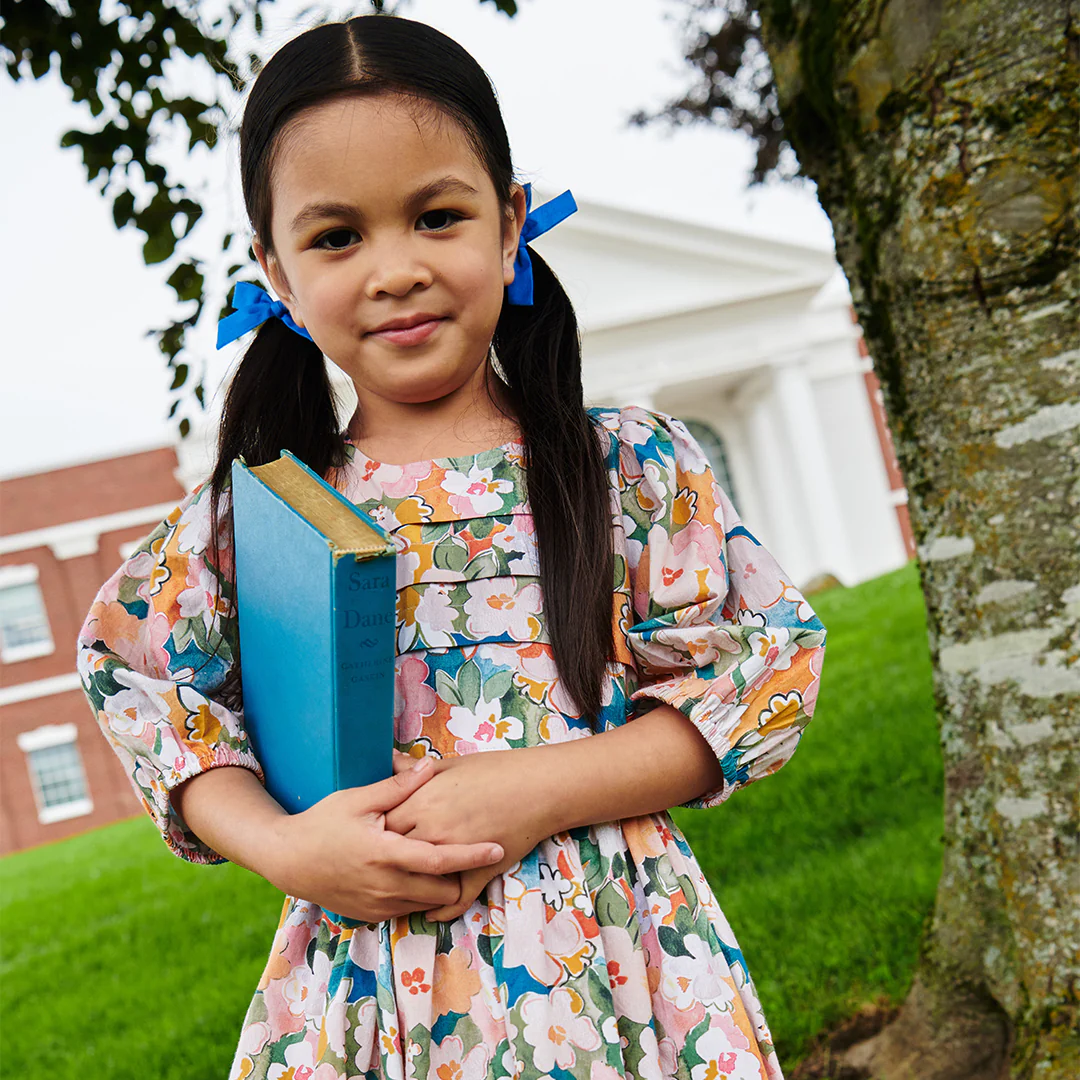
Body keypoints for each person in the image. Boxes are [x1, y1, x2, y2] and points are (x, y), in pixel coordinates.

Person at [76, 13, 828, 1080]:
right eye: (337, 238)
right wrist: (287, 847)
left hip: (620, 960)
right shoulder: (262, 518)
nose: (395, 271)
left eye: (436, 217)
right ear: (276, 272)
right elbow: (143, 684)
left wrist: (536, 788)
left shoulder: (624, 465)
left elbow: (766, 669)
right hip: (375, 984)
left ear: (510, 224)